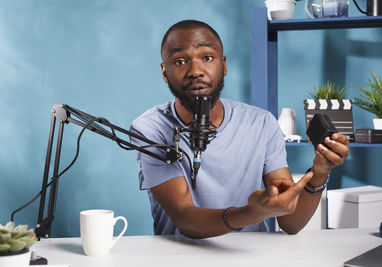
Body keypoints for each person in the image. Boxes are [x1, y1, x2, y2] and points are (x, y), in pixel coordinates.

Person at [130, 20, 349, 239]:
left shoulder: (260, 123)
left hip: (252, 256)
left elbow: (290, 222)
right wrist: (249, 214)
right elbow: (185, 218)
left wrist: (320, 173)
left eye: (207, 58)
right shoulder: (150, 128)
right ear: (164, 72)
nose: (195, 71)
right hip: (181, 257)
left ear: (223, 65)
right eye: (180, 61)